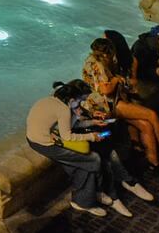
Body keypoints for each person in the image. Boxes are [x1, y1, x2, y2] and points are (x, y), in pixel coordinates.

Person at [82, 37, 159, 182]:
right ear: (108, 52)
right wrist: (116, 80)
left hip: (111, 102)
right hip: (105, 105)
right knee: (151, 115)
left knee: (146, 125)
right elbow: (105, 89)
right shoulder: (98, 65)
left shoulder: (96, 60)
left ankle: (154, 163)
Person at [25, 80, 109, 217]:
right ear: (72, 99)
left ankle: (90, 194)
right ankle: (84, 201)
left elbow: (70, 125)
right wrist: (92, 136)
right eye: (81, 100)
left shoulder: (50, 100)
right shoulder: (63, 109)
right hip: (44, 143)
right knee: (93, 160)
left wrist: (92, 122)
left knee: (81, 166)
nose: (81, 103)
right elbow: (68, 136)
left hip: (33, 137)